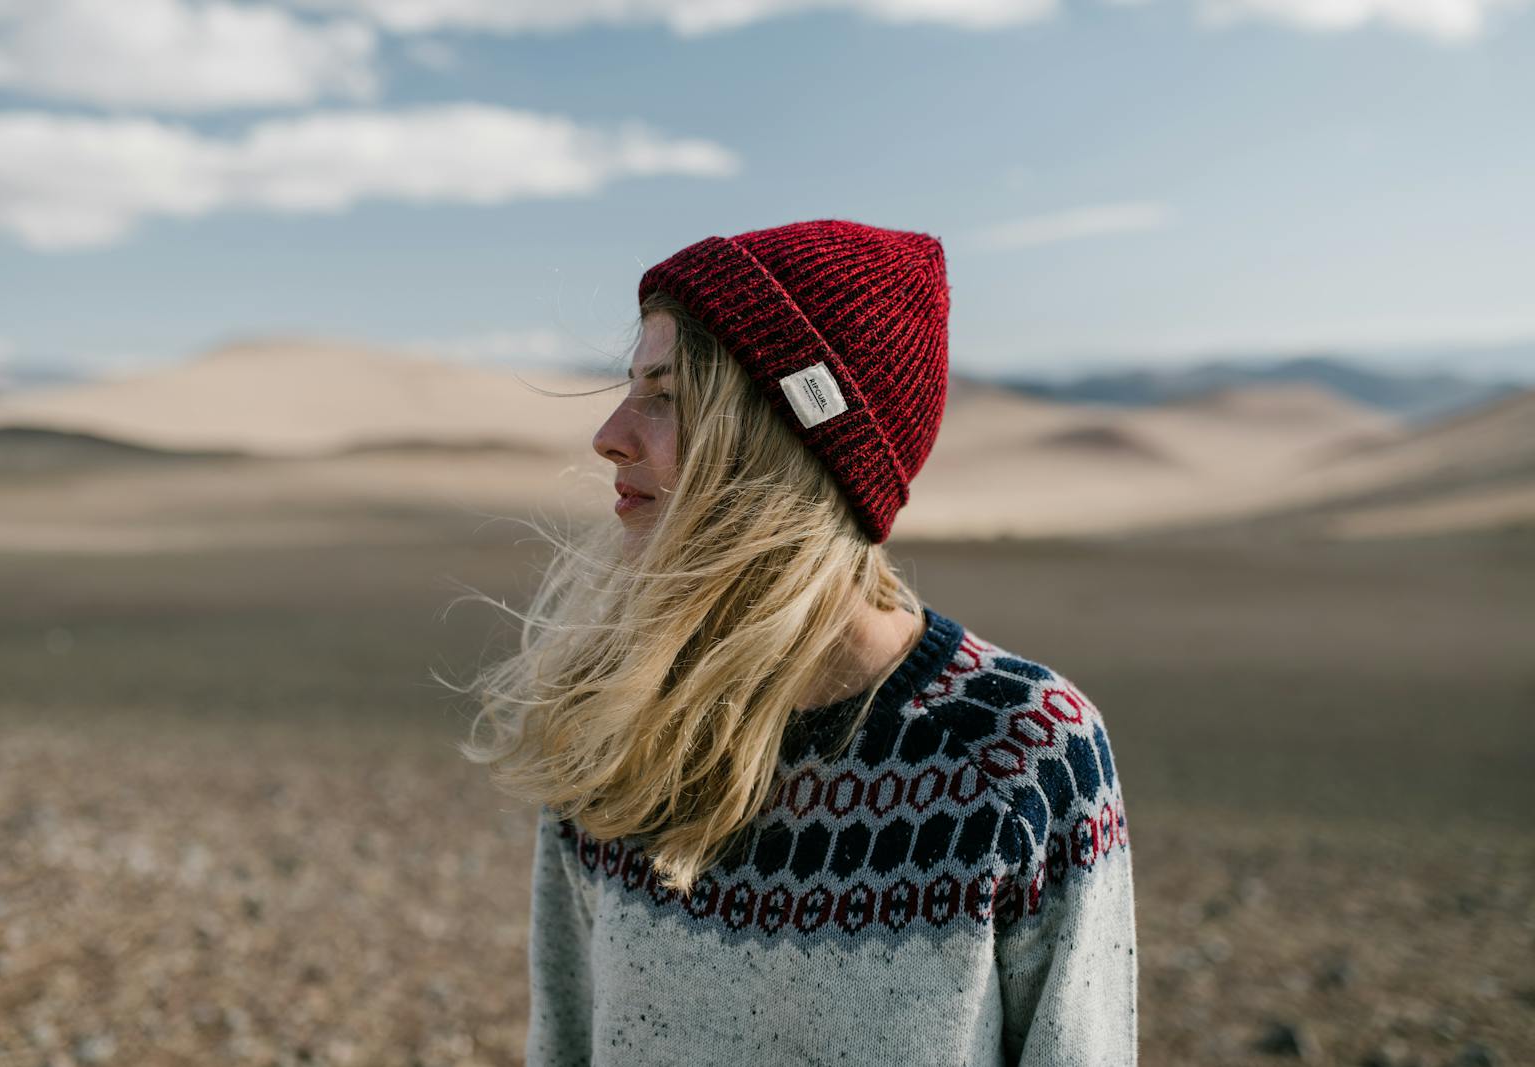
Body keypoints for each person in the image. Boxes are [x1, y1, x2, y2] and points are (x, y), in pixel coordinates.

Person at [453, 219, 1138, 1065]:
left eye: (667, 395)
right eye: (631, 386)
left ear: (788, 439)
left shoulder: (1021, 752)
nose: (610, 433)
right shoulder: (611, 723)